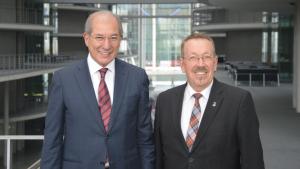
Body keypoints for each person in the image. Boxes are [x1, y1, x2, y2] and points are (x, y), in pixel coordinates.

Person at [41, 10, 154, 169]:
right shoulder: (63, 79)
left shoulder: (137, 77)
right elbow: (53, 139)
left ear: (120, 39)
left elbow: (145, 136)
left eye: (113, 37)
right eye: (99, 37)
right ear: (87, 39)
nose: (106, 45)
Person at [154, 33, 265, 169]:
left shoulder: (239, 101)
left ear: (215, 63)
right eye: (193, 57)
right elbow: (158, 156)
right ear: (182, 64)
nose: (200, 64)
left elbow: (253, 160)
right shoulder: (164, 101)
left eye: (206, 57)